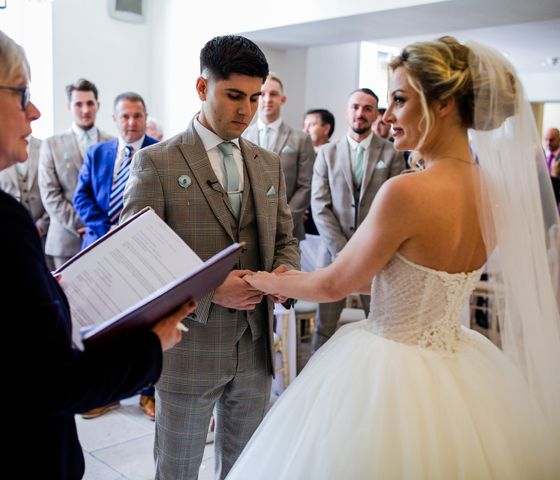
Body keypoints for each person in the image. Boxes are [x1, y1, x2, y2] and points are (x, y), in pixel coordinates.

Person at [226, 36, 560, 478]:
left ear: (441, 105)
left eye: (400, 101)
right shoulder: (494, 194)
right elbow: (417, 279)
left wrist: (269, 281)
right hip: (461, 365)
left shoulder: (407, 190)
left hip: (391, 366)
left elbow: (333, 285)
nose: (387, 118)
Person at [0, 16, 195, 479]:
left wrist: (38, 294)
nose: (34, 114)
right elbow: (54, 380)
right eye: (21, 94)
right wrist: (152, 343)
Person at [120, 35, 300, 480]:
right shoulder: (155, 163)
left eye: (256, 98)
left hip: (255, 349)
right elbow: (136, 259)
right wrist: (210, 290)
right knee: (177, 471)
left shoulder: (268, 163)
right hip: (188, 349)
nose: (246, 110)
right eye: (234, 95)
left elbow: (284, 237)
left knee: (244, 468)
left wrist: (285, 273)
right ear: (203, 88)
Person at [73, 91, 158, 419]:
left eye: (137, 116)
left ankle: (148, 393)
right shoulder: (98, 153)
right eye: (125, 116)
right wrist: (106, 231)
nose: (132, 123)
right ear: (115, 119)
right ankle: (106, 393)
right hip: (99, 249)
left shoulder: (161, 151)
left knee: (146, 324)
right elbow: (81, 197)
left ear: (145, 116)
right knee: (102, 326)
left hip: (144, 252)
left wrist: (134, 232)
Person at [311, 88, 405, 351]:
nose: (360, 113)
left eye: (367, 108)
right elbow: (319, 205)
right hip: (333, 256)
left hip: (377, 257)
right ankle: (318, 385)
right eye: (355, 107)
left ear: (376, 114)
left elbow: (395, 208)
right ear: (346, 110)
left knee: (380, 325)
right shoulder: (327, 154)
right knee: (324, 327)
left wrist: (365, 251)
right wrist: (343, 251)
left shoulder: (392, 154)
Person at [39, 78, 113, 269]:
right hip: (66, 241)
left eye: (90, 103)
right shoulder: (51, 144)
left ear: (98, 105)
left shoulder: (113, 143)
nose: (85, 110)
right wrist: (84, 223)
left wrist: (101, 227)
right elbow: (50, 194)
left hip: (106, 238)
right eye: (78, 104)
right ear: (69, 106)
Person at [243, 72, 314, 241]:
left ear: (283, 99)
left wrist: (285, 219)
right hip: (249, 228)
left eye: (273, 94)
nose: (267, 99)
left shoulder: (301, 139)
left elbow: (306, 185)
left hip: (289, 229)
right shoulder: (242, 136)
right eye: (262, 94)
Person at [0, 134, 54, 269]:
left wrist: (42, 224)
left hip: (46, 237)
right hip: (8, 234)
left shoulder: (46, 147)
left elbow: (55, 190)